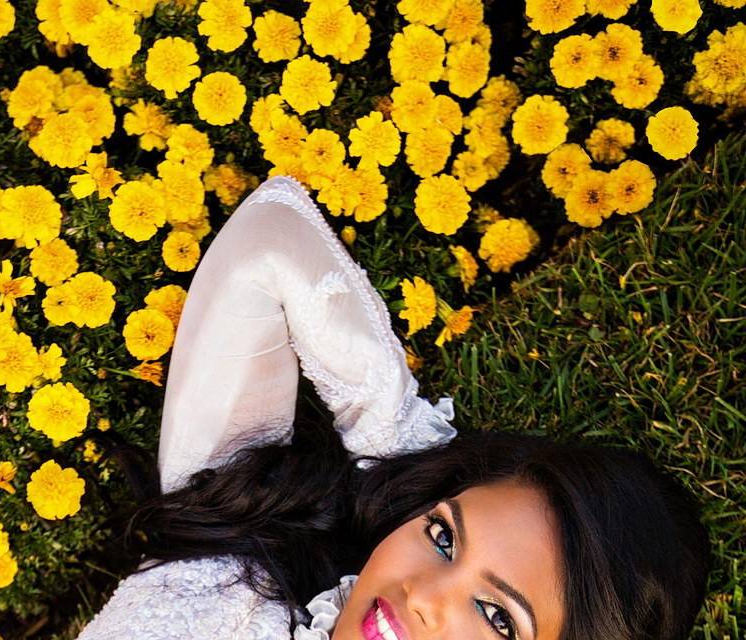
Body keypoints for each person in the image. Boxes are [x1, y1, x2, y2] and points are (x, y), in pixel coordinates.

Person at [75, 175, 711, 640]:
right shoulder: (229, 574)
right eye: (442, 536)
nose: (422, 597)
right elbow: (266, 246)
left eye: (497, 617)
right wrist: (396, 437)